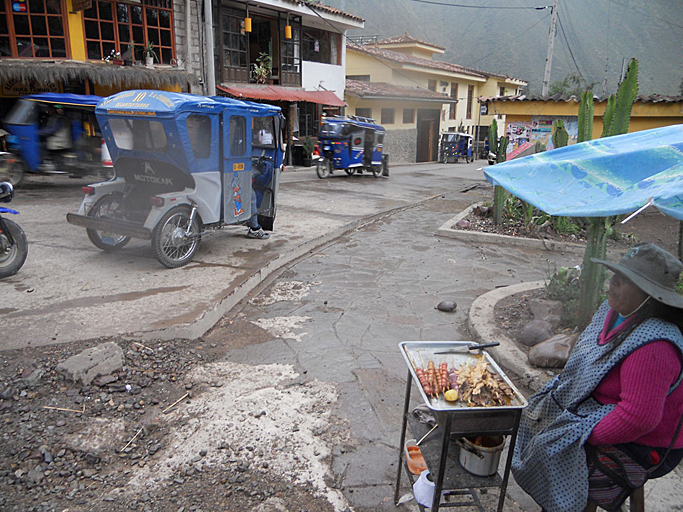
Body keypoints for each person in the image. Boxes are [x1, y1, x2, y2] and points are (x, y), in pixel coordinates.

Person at [512, 242, 683, 512]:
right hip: (596, 407)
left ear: (650, 294)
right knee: (531, 415)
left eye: (625, 280)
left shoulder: (655, 347)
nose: (613, 281)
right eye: (616, 273)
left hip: (643, 443)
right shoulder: (611, 311)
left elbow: (639, 418)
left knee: (553, 446)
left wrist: (582, 435)